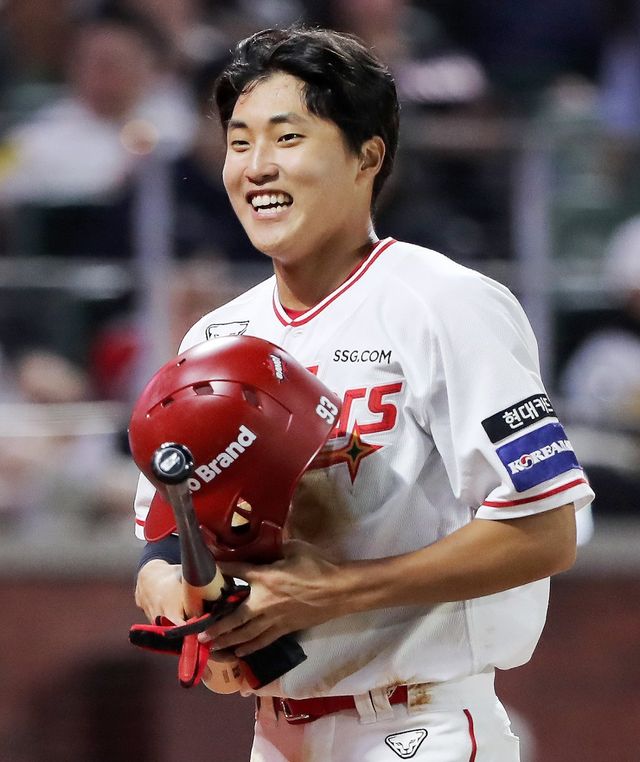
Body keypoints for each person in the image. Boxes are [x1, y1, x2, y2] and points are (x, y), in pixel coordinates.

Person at [133, 26, 594, 762]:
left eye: (287, 137)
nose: (256, 165)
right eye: (239, 143)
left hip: (418, 724)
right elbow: (166, 530)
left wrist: (334, 590)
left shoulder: (445, 303)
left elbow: (547, 528)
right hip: (274, 732)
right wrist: (165, 585)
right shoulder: (215, 337)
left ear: (367, 156)